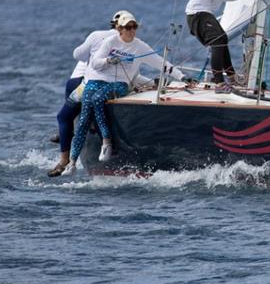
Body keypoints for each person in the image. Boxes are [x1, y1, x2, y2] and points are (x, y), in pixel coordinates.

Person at [62, 13, 192, 175]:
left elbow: (161, 63)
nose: (131, 31)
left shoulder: (140, 46)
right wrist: (108, 61)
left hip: (121, 84)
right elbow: (95, 63)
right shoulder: (110, 42)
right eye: (127, 27)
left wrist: (182, 76)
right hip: (98, 79)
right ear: (119, 28)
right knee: (84, 118)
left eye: (134, 27)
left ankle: (106, 141)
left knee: (98, 99)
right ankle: (72, 163)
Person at [47, 10, 130, 177]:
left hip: (80, 83)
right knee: (88, 115)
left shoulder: (97, 35)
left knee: (64, 117)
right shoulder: (129, 43)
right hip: (106, 85)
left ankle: (64, 159)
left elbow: (77, 54)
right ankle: (83, 138)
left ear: (113, 24)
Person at [185, 0, 258, 93]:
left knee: (222, 38)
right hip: (197, 14)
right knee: (218, 40)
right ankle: (219, 83)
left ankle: (231, 77)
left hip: (204, 13)